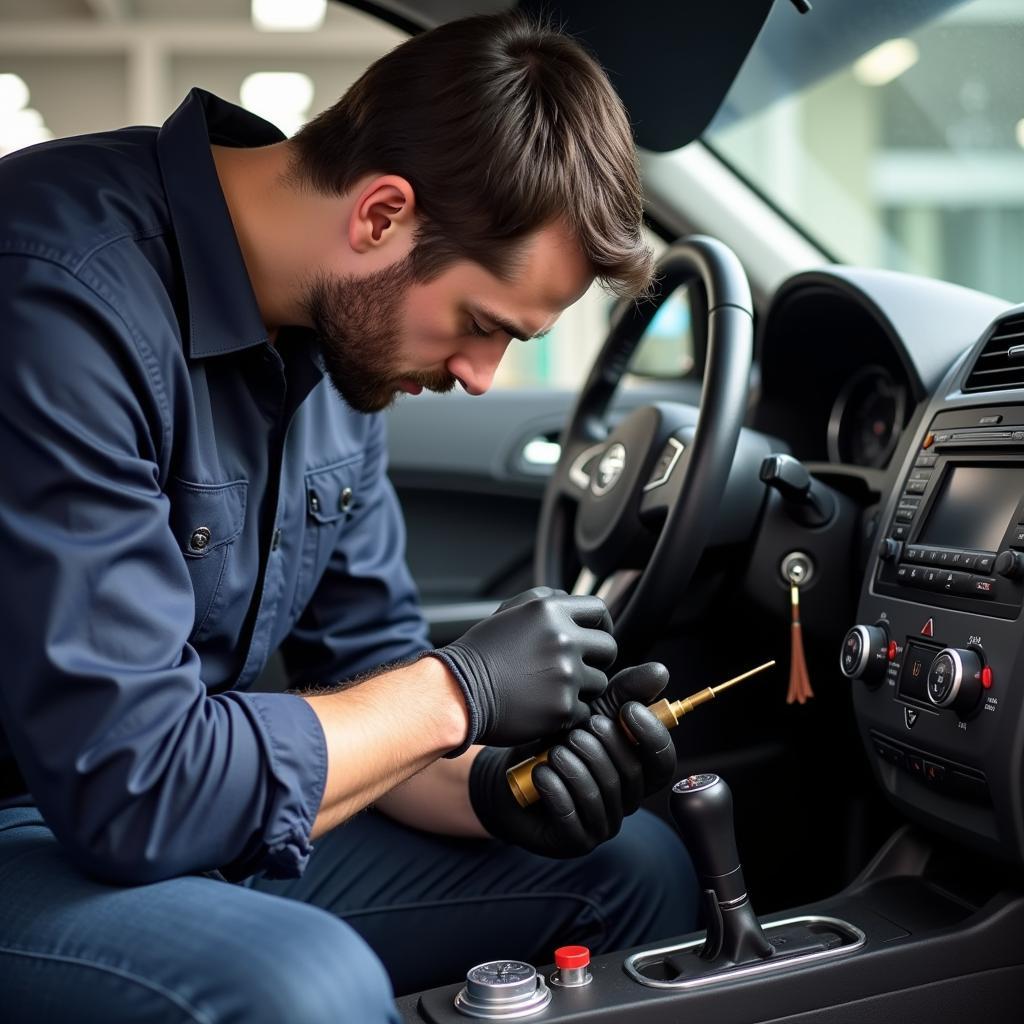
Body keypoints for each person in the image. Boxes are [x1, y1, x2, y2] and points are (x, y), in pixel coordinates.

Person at [0, 12, 697, 1023]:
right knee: (300, 987)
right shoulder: (55, 293)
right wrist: (459, 692)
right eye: (480, 325)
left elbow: (364, 685)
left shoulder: (340, 348)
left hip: (162, 807)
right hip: (54, 814)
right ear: (380, 216)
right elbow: (131, 786)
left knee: (629, 866)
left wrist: (501, 785)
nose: (475, 375)